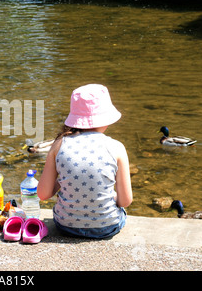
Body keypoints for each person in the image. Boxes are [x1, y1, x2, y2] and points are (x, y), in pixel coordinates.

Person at [37, 84, 133, 239]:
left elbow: (42, 194)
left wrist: (64, 180)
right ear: (106, 118)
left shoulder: (59, 145)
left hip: (65, 226)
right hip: (106, 227)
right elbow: (125, 201)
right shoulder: (116, 147)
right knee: (120, 210)